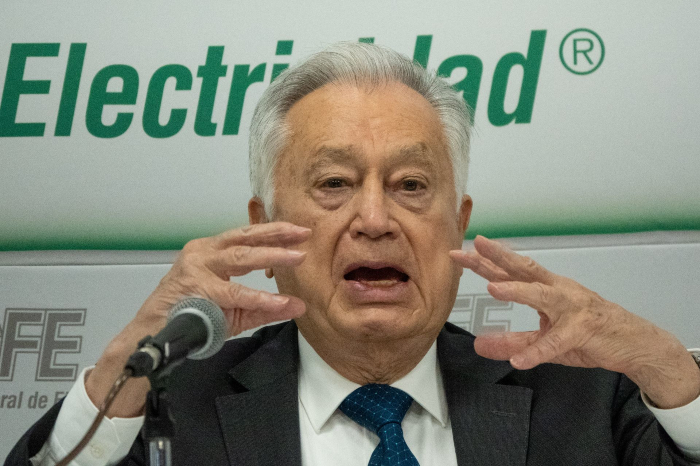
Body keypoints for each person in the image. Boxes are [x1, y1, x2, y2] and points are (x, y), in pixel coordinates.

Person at [6, 42, 700, 466]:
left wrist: (669, 371)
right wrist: (125, 367)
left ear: (458, 227)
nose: (374, 219)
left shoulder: (588, 404)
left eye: (411, 185)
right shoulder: (166, 411)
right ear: (264, 232)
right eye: (334, 184)